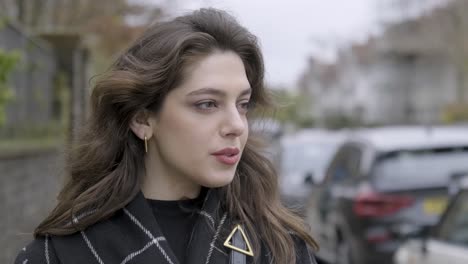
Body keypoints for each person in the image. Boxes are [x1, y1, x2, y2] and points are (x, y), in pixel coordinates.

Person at [15, 8, 318, 264]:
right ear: (142, 118)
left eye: (242, 104)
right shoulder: (60, 254)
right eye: (207, 104)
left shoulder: (281, 245)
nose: (236, 125)